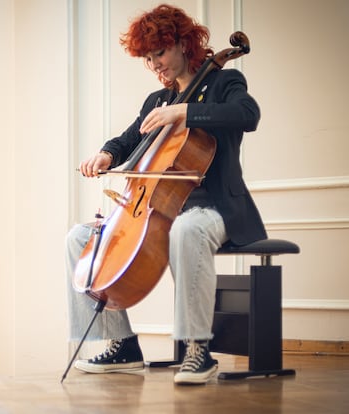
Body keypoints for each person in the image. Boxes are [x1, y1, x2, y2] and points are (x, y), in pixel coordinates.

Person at [65, 3, 267, 385]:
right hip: (157, 207)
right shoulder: (157, 101)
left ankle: (198, 350)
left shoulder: (223, 84)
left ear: (184, 44)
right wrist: (106, 153)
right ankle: (121, 344)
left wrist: (187, 112)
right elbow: (127, 140)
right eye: (149, 58)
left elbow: (248, 115)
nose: (155, 64)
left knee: (187, 230)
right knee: (79, 238)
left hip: (214, 204)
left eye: (160, 53)